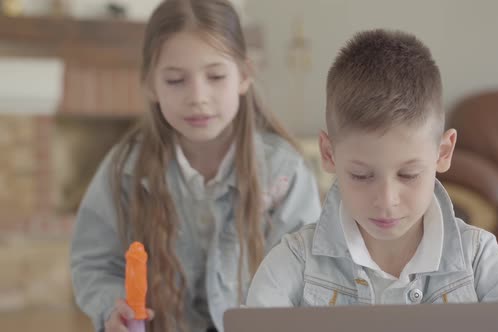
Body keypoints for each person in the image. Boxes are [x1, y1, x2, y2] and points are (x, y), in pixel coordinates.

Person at [246, 29, 498, 332]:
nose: (386, 200)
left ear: (443, 152)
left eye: (408, 174)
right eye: (361, 175)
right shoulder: (294, 262)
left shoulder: (480, 261)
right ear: (329, 154)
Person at [70, 1, 321, 331]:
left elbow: (310, 274)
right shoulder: (125, 171)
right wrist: (112, 308)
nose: (198, 96)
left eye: (215, 76)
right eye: (176, 80)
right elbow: (94, 263)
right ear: (149, 84)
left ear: (244, 75)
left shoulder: (283, 173)